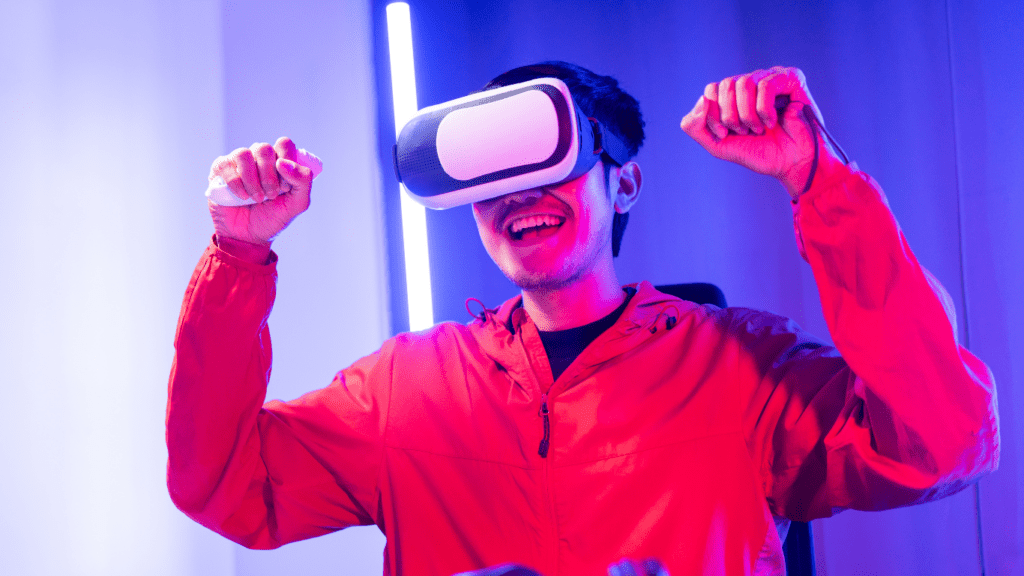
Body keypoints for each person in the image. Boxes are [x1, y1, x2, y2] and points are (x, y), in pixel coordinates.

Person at [166, 62, 999, 576]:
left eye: (551, 164)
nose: (521, 196)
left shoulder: (742, 369)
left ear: (623, 184)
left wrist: (822, 182)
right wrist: (236, 257)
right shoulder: (403, 390)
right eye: (494, 180)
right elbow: (226, 487)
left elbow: (942, 440)